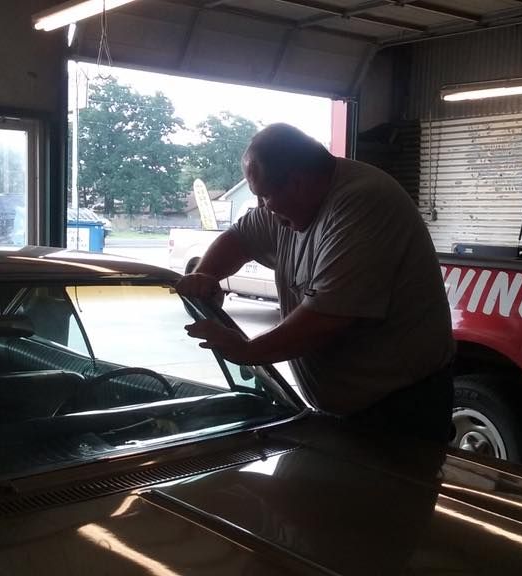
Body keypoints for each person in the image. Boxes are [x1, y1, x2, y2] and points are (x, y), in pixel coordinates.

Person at [177, 123, 455, 441]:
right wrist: (206, 276)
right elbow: (239, 238)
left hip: (400, 410)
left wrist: (247, 351)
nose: (261, 207)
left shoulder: (361, 204)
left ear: (298, 183)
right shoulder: (287, 208)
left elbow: (326, 319)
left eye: (263, 195)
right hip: (342, 412)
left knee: (395, 491)